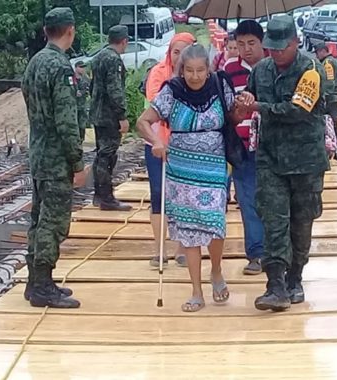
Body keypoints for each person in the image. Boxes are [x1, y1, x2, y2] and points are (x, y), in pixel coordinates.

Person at [136, 44, 254, 312]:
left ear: (209, 68)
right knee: (188, 229)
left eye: (200, 70)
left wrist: (242, 110)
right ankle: (196, 290)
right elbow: (143, 122)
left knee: (214, 221)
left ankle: (215, 270)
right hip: (180, 168)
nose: (195, 76)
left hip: (213, 166)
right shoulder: (172, 90)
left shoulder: (219, 85)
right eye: (189, 70)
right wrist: (156, 141)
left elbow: (232, 118)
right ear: (181, 70)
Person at [244, 15, 330, 311]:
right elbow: (249, 97)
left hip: (306, 161)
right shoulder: (260, 71)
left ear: (295, 42)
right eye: (272, 48)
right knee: (273, 219)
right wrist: (243, 101)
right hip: (270, 158)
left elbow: (299, 110)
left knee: (301, 221)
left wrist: (258, 107)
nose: (276, 53)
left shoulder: (311, 69)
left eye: (282, 48)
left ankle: (295, 278)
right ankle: (275, 286)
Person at [21, 7, 84, 308]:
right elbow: (66, 121)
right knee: (53, 223)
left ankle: (35, 281)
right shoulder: (60, 67)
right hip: (57, 158)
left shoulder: (35, 63)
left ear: (46, 31)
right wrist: (77, 160)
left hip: (39, 154)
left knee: (38, 219)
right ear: (69, 31)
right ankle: (43, 286)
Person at [143, 32, 195, 267]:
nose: (179, 57)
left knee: (184, 195)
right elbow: (158, 103)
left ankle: (183, 246)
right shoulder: (158, 73)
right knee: (158, 194)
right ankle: (159, 248)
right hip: (157, 142)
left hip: (185, 146)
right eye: (176, 52)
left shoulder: (197, 75)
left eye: (185, 52)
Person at [224, 19, 267, 275]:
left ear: (262, 43)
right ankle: (256, 253)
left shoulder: (274, 67)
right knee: (247, 199)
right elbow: (226, 109)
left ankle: (280, 252)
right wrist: (237, 112)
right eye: (241, 44)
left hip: (272, 145)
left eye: (251, 43)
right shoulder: (229, 69)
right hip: (242, 146)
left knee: (274, 200)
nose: (246, 49)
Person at [89, 25, 132, 211]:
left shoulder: (98, 57)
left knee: (100, 155)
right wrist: (121, 115)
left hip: (98, 113)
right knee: (107, 156)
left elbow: (93, 87)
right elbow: (115, 90)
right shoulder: (114, 60)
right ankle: (107, 197)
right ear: (124, 41)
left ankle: (99, 195)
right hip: (109, 116)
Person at [314, 41, 337, 150]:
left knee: (330, 125)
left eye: (317, 53)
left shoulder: (327, 63)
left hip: (330, 98)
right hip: (334, 98)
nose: (316, 56)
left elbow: (329, 82)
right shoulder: (331, 61)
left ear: (323, 51)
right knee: (333, 125)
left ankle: (336, 149)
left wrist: (324, 96)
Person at [74, 61, 91, 143]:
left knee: (82, 123)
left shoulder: (85, 79)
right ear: (76, 67)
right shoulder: (71, 77)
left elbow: (89, 89)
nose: (82, 69)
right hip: (72, 105)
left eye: (83, 67)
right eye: (81, 67)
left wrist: (83, 92)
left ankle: (81, 139)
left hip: (82, 104)